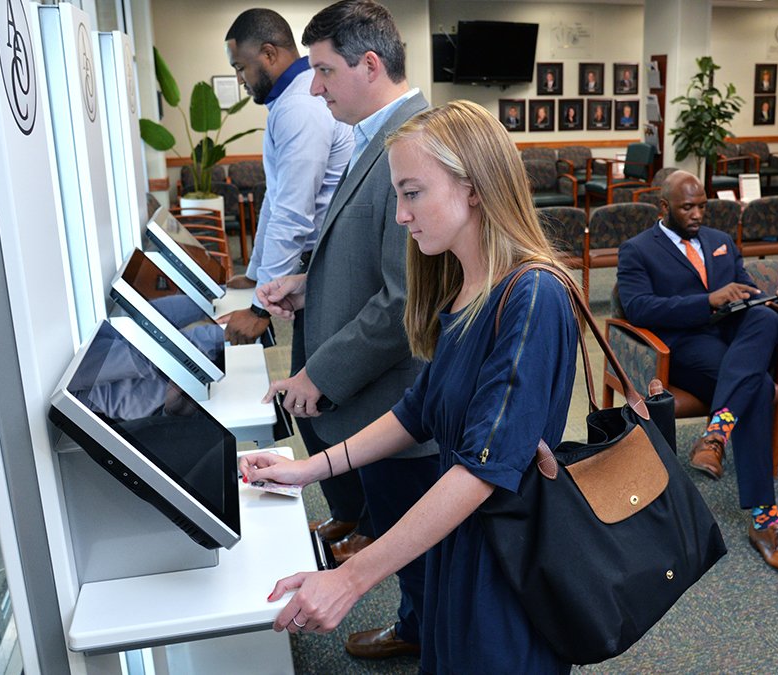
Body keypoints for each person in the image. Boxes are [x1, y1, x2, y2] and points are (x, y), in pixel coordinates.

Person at [243, 98, 578, 673]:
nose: (400, 214)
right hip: (459, 551)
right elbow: (416, 411)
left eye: (412, 192)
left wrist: (351, 577)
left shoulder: (533, 296)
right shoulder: (465, 287)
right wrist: (307, 469)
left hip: (503, 565)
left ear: (474, 187)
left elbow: (482, 470)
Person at [250, 0, 440, 660]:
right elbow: (373, 260)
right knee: (398, 524)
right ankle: (419, 622)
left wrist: (318, 375)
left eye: (325, 70)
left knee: (417, 535)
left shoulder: (414, 141)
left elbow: (403, 301)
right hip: (377, 392)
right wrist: (309, 283)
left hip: (394, 391)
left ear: (368, 64)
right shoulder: (377, 136)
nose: (314, 85)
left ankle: (425, 630)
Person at [615, 170, 778, 583]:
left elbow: (744, 287)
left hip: (732, 338)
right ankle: (765, 520)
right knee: (757, 386)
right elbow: (638, 308)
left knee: (763, 316)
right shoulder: (637, 250)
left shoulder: (721, 241)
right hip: (683, 346)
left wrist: (774, 304)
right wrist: (705, 301)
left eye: (702, 205)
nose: (696, 213)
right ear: (663, 207)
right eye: (687, 207)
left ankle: (716, 436)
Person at [219, 9, 352, 346]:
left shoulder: (299, 106)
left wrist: (259, 310)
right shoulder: (289, 101)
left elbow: (293, 214)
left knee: (314, 384)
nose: (240, 80)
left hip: (323, 267)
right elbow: (275, 202)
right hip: (309, 266)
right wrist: (255, 277)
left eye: (240, 68)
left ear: (268, 54)